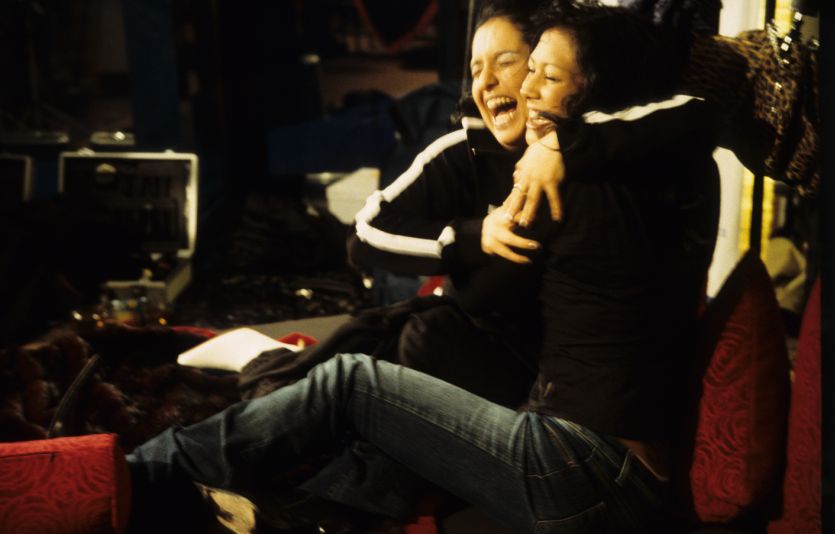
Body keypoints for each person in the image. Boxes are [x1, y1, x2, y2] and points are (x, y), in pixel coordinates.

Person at [127, 2, 720, 532]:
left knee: (357, 378)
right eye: (525, 70)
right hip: (610, 468)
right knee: (413, 353)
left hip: (581, 470)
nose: (524, 89)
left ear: (596, 91)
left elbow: (694, 108)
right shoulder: (663, 175)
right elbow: (368, 237)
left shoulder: (558, 186)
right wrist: (479, 226)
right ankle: (312, 506)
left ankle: (139, 472)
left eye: (545, 73)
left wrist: (554, 150)